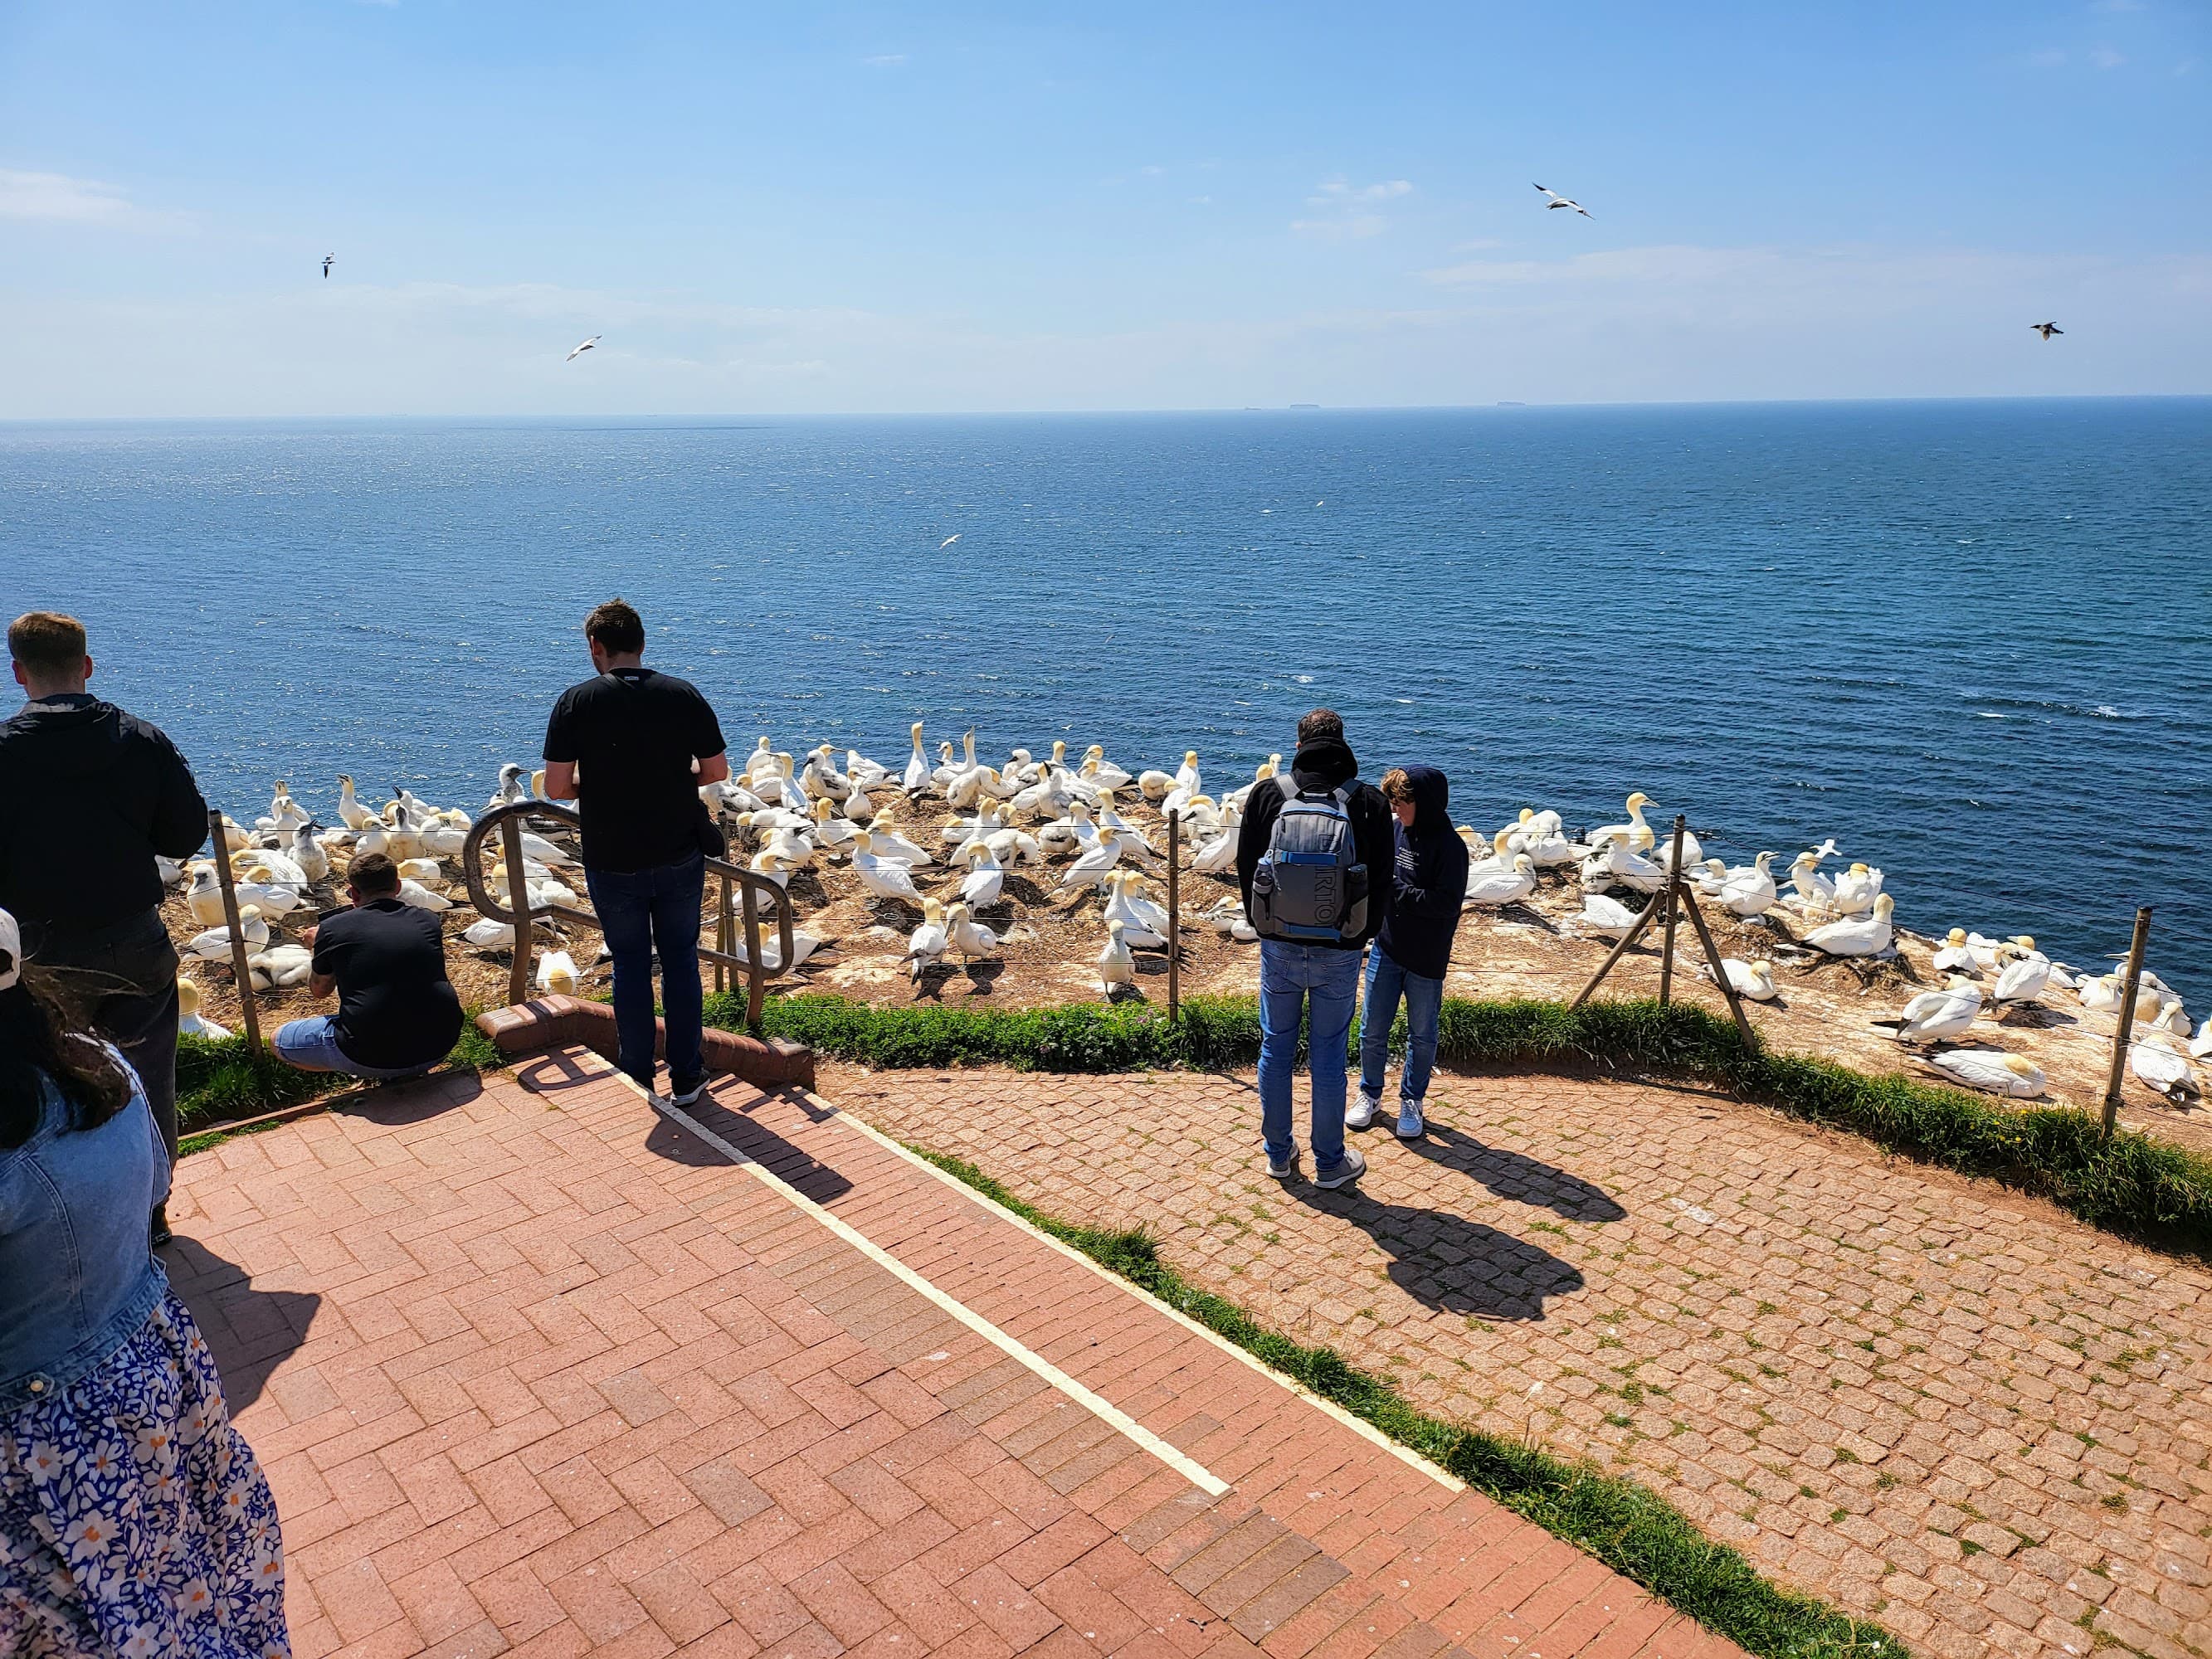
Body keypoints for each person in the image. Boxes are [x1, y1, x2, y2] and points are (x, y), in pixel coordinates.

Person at [0, 906, 290, 1656]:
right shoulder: (95, 1061)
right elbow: (155, 1180)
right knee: (195, 1575)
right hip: (153, 1373)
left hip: (46, 1453)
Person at [0, 611, 208, 1245]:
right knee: (150, 1078)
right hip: (132, 941)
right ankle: (152, 1212)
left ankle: (74, 1225)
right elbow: (186, 834)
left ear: (17, 673)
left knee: (50, 1084)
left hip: (38, 959)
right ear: (86, 667)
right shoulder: (141, 739)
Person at [543, 600, 730, 1102]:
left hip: (611, 856)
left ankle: (637, 1075)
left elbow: (557, 788)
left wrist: (600, 784)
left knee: (629, 964)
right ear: (642, 643)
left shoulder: (575, 702)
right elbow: (716, 773)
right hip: (677, 853)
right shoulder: (683, 694)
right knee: (681, 962)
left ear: (595, 647)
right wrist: (672, 777)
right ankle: (688, 1077)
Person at [1235, 708, 1396, 1188]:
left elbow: (1247, 869)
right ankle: (1330, 1162)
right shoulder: (1367, 802)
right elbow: (1383, 879)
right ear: (1343, 743)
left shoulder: (1269, 794)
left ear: (1299, 742)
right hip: (1340, 950)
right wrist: (1359, 936)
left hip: (1279, 946)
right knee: (1328, 1053)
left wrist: (1265, 926)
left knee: (1275, 1048)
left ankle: (1279, 1155)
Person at [272, 853, 462, 1080]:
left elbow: (319, 991)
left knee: (278, 1040)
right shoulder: (428, 920)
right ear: (398, 886)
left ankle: (364, 1070)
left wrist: (319, 947)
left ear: (353, 893)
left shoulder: (332, 929)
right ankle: (400, 1071)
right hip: (441, 1044)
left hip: (371, 1053)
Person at [1354, 766, 1469, 1141]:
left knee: (1422, 1035)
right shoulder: (1394, 830)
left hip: (1427, 955)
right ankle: (1369, 1094)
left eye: (1403, 802)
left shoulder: (1452, 848)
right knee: (1372, 1029)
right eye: (1394, 801)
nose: (1396, 809)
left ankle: (1412, 1099)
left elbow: (1446, 904)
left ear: (1427, 803)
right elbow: (1379, 875)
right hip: (1387, 947)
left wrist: (1394, 890)